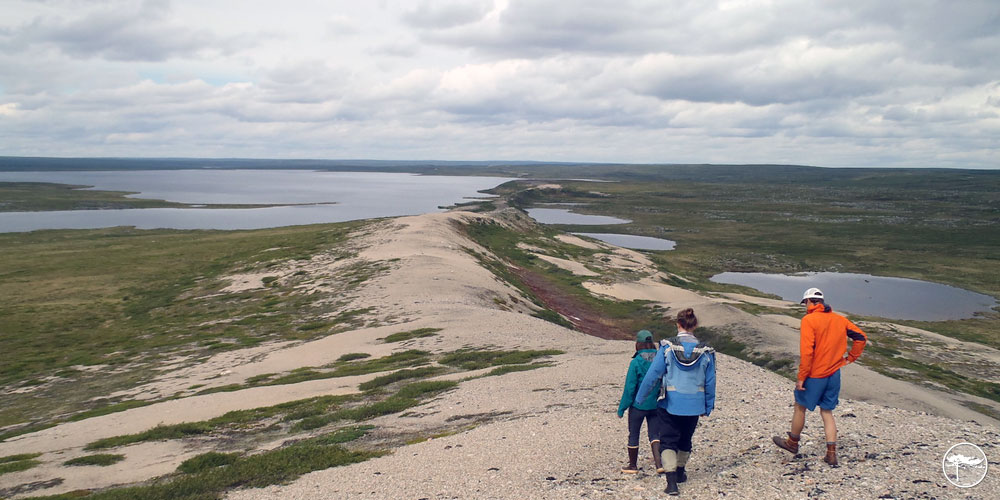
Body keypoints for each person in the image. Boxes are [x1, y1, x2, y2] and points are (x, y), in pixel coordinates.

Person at [772, 287, 867, 467]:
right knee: (827, 412)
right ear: (822, 302)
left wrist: (801, 377)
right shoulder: (839, 319)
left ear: (808, 302)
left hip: (815, 374)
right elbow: (861, 337)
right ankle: (831, 454)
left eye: (805, 303)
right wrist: (851, 358)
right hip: (834, 373)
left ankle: (792, 443)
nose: (805, 306)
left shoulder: (809, 320)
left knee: (800, 406)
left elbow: (807, 352)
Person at [635, 308, 716, 496]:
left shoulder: (667, 347)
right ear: (695, 325)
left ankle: (671, 483)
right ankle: (680, 472)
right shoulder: (706, 351)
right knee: (686, 439)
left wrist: (641, 398)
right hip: (695, 403)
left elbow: (653, 375)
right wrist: (708, 405)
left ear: (677, 324)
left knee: (668, 441)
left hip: (670, 402)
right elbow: (710, 381)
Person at [617, 329, 663, 474]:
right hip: (655, 404)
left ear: (638, 343)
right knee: (655, 434)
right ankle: (659, 464)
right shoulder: (660, 360)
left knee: (634, 433)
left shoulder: (636, 362)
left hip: (638, 405)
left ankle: (632, 466)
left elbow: (630, 388)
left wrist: (622, 408)